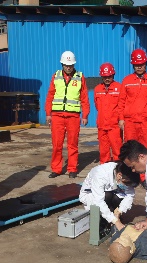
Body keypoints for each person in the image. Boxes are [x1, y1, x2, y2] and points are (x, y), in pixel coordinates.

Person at [45, 50, 90, 179]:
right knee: (57, 144)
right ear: (62, 64)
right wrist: (48, 113)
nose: (68, 67)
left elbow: (84, 97)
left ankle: (72, 169)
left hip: (73, 116)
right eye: (66, 65)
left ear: (74, 65)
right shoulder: (56, 76)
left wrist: (85, 115)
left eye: (70, 65)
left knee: (73, 144)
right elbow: (50, 95)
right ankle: (56, 169)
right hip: (57, 116)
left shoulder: (80, 77)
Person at [79, 161, 140, 232]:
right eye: (126, 184)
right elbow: (98, 201)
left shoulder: (126, 174)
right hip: (92, 194)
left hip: (111, 191)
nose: (127, 186)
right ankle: (103, 222)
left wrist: (119, 211)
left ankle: (114, 216)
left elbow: (130, 195)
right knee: (107, 196)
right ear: (119, 175)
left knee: (118, 198)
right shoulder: (100, 174)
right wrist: (115, 221)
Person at [117, 49, 147, 148]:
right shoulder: (127, 81)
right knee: (130, 149)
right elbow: (121, 101)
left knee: (145, 149)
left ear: (145, 64)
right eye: (136, 65)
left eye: (141, 64)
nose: (139, 67)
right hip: (130, 122)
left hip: (146, 122)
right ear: (133, 65)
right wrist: (121, 118)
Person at [93, 62, 122, 163]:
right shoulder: (97, 89)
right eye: (105, 77)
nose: (107, 79)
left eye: (109, 76)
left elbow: (122, 106)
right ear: (101, 76)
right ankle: (105, 168)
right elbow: (97, 105)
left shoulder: (119, 88)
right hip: (102, 125)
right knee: (103, 151)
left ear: (113, 75)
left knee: (117, 149)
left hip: (114, 126)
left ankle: (119, 168)